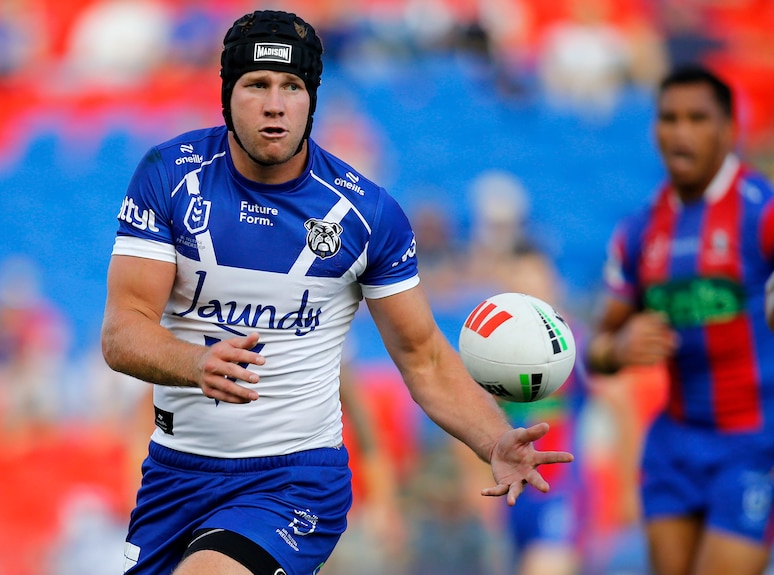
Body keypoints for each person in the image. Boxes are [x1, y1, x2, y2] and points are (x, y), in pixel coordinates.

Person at [100, 9, 573, 575]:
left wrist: (493, 438)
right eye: (256, 85)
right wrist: (194, 362)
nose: (275, 104)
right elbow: (122, 331)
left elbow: (423, 357)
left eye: (292, 86)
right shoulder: (168, 177)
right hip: (175, 475)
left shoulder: (367, 214)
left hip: (292, 482)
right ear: (227, 95)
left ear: (312, 99)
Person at [586, 64, 774, 575]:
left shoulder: (761, 213)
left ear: (729, 129)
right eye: (669, 118)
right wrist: (618, 348)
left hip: (754, 444)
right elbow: (595, 351)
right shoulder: (640, 231)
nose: (681, 132)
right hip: (674, 445)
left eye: (697, 118)